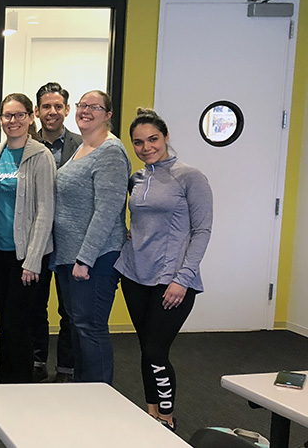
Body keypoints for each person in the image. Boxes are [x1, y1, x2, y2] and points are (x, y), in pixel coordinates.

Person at [116, 108, 212, 432]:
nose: (146, 147)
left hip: (171, 280)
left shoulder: (190, 176)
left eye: (153, 139)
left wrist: (182, 279)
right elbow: (137, 220)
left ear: (166, 136)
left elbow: (202, 231)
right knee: (146, 350)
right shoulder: (137, 178)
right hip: (134, 275)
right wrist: (128, 236)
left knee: (157, 351)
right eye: (139, 142)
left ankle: (168, 418)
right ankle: (151, 412)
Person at [51, 90, 130, 385]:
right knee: (79, 326)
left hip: (95, 258)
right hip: (70, 257)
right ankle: (83, 393)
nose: (86, 111)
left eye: (94, 107)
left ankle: (100, 398)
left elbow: (107, 210)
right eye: (83, 105)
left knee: (91, 327)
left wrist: (85, 258)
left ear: (108, 115)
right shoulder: (82, 147)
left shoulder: (110, 151)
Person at [0, 94, 56, 384]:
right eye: (7, 115)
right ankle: (6, 380)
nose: (12, 121)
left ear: (30, 117)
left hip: (26, 256)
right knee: (3, 321)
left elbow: (45, 211)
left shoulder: (40, 156)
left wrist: (33, 260)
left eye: (18, 115)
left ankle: (22, 383)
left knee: (18, 324)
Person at [31, 82, 82, 383]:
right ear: (36, 111)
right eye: (46, 107)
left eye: (57, 106)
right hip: (35, 240)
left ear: (66, 109)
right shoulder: (22, 142)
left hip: (68, 240)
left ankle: (66, 367)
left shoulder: (83, 145)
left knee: (69, 311)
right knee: (35, 307)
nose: (52, 112)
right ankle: (37, 361)